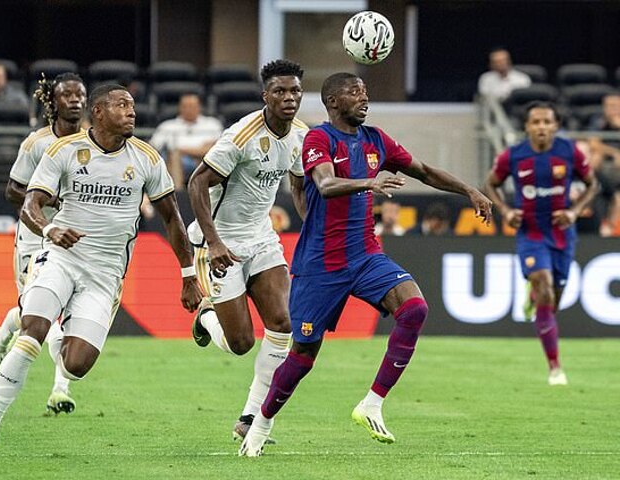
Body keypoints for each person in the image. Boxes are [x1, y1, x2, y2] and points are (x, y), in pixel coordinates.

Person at [239, 72, 493, 456]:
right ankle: (260, 424)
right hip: (320, 266)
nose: (364, 98)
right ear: (333, 102)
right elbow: (324, 185)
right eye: (354, 92)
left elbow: (423, 171)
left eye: (365, 91)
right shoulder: (318, 139)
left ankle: (372, 403)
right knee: (303, 356)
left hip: (365, 255)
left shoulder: (376, 140)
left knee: (414, 308)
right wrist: (367, 183)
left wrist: (469, 190)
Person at [0, 84, 204, 459]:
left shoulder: (147, 158)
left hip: (105, 277)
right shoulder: (62, 151)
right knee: (32, 334)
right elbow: (29, 203)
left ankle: (34, 330)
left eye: (133, 105)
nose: (132, 111)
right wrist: (49, 229)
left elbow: (172, 217)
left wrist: (189, 275)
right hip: (59, 258)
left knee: (75, 366)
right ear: (99, 112)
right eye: (122, 105)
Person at [187, 59, 308, 444]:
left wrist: (311, 229)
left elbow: (300, 186)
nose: (288, 98)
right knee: (240, 344)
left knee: (283, 322)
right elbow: (196, 183)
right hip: (221, 241)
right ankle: (207, 316)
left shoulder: (300, 136)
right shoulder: (241, 136)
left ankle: (250, 417)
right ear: (265, 96)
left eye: (294, 92)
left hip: (262, 238)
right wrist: (215, 242)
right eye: (280, 92)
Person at [0, 73, 87, 416]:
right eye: (67, 95)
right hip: (35, 238)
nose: (75, 100)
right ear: (53, 103)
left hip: (76, 241)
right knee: (43, 314)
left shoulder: (92, 144)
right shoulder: (36, 144)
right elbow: (13, 190)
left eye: (80, 95)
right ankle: (5, 336)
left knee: (65, 314)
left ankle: (60, 387)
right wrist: (52, 202)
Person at [485, 101, 598, 386]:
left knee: (552, 299)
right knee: (544, 284)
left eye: (547, 122)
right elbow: (490, 184)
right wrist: (506, 211)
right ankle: (555, 368)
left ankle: (533, 297)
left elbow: (592, 184)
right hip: (531, 232)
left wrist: (573, 211)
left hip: (561, 233)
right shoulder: (512, 156)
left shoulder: (569, 151)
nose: (541, 127)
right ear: (526, 127)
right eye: (536, 122)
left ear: (556, 126)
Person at [150, 93, 223, 189]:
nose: (189, 109)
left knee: (211, 152)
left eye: (192, 106)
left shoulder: (212, 124)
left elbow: (219, 147)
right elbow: (153, 147)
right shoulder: (167, 126)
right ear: (180, 108)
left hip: (205, 159)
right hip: (177, 161)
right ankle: (178, 195)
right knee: (174, 154)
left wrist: (183, 150)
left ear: (199, 107)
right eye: (185, 106)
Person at [586, 93, 620, 197]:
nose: (611, 109)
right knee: (596, 156)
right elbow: (593, 144)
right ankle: (591, 187)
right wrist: (615, 153)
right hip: (607, 154)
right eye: (608, 105)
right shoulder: (598, 121)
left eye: (615, 105)